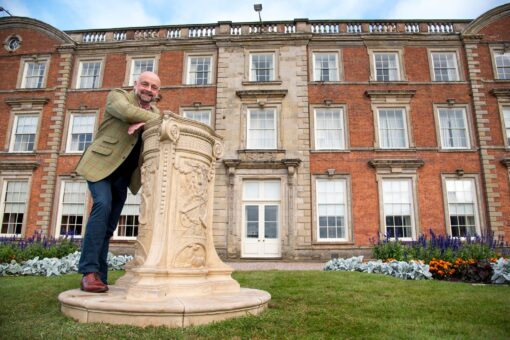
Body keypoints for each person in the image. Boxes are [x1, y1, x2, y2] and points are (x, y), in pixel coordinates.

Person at [76, 71, 161, 293]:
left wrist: (142, 122)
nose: (148, 90)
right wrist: (141, 119)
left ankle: (100, 276)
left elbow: (162, 126)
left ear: (157, 92)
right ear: (136, 84)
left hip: (123, 176)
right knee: (102, 205)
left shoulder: (154, 111)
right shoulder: (118, 96)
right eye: (145, 84)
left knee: (109, 226)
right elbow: (125, 112)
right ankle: (88, 272)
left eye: (153, 87)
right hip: (101, 166)